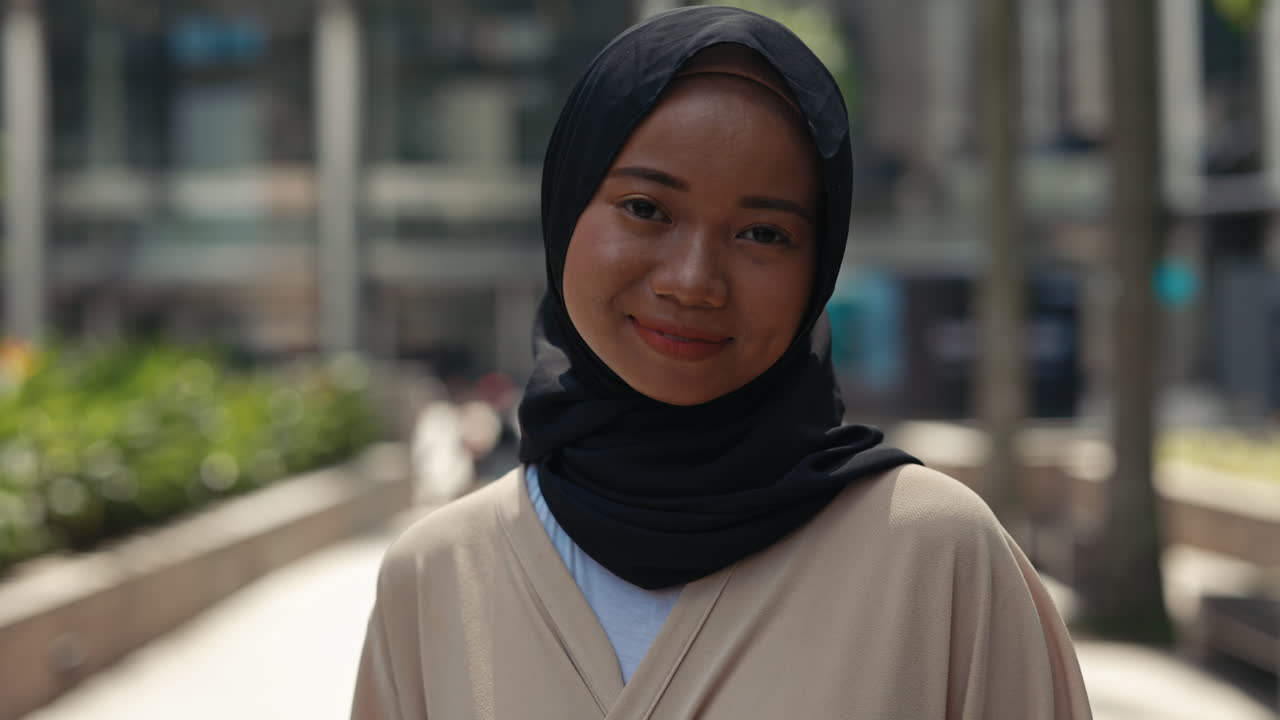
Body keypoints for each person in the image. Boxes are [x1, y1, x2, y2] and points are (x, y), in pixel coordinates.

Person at [351, 7, 1092, 719]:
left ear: (819, 268)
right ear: (567, 208)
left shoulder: (938, 560)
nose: (693, 281)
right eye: (646, 208)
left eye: (763, 233)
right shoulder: (436, 579)